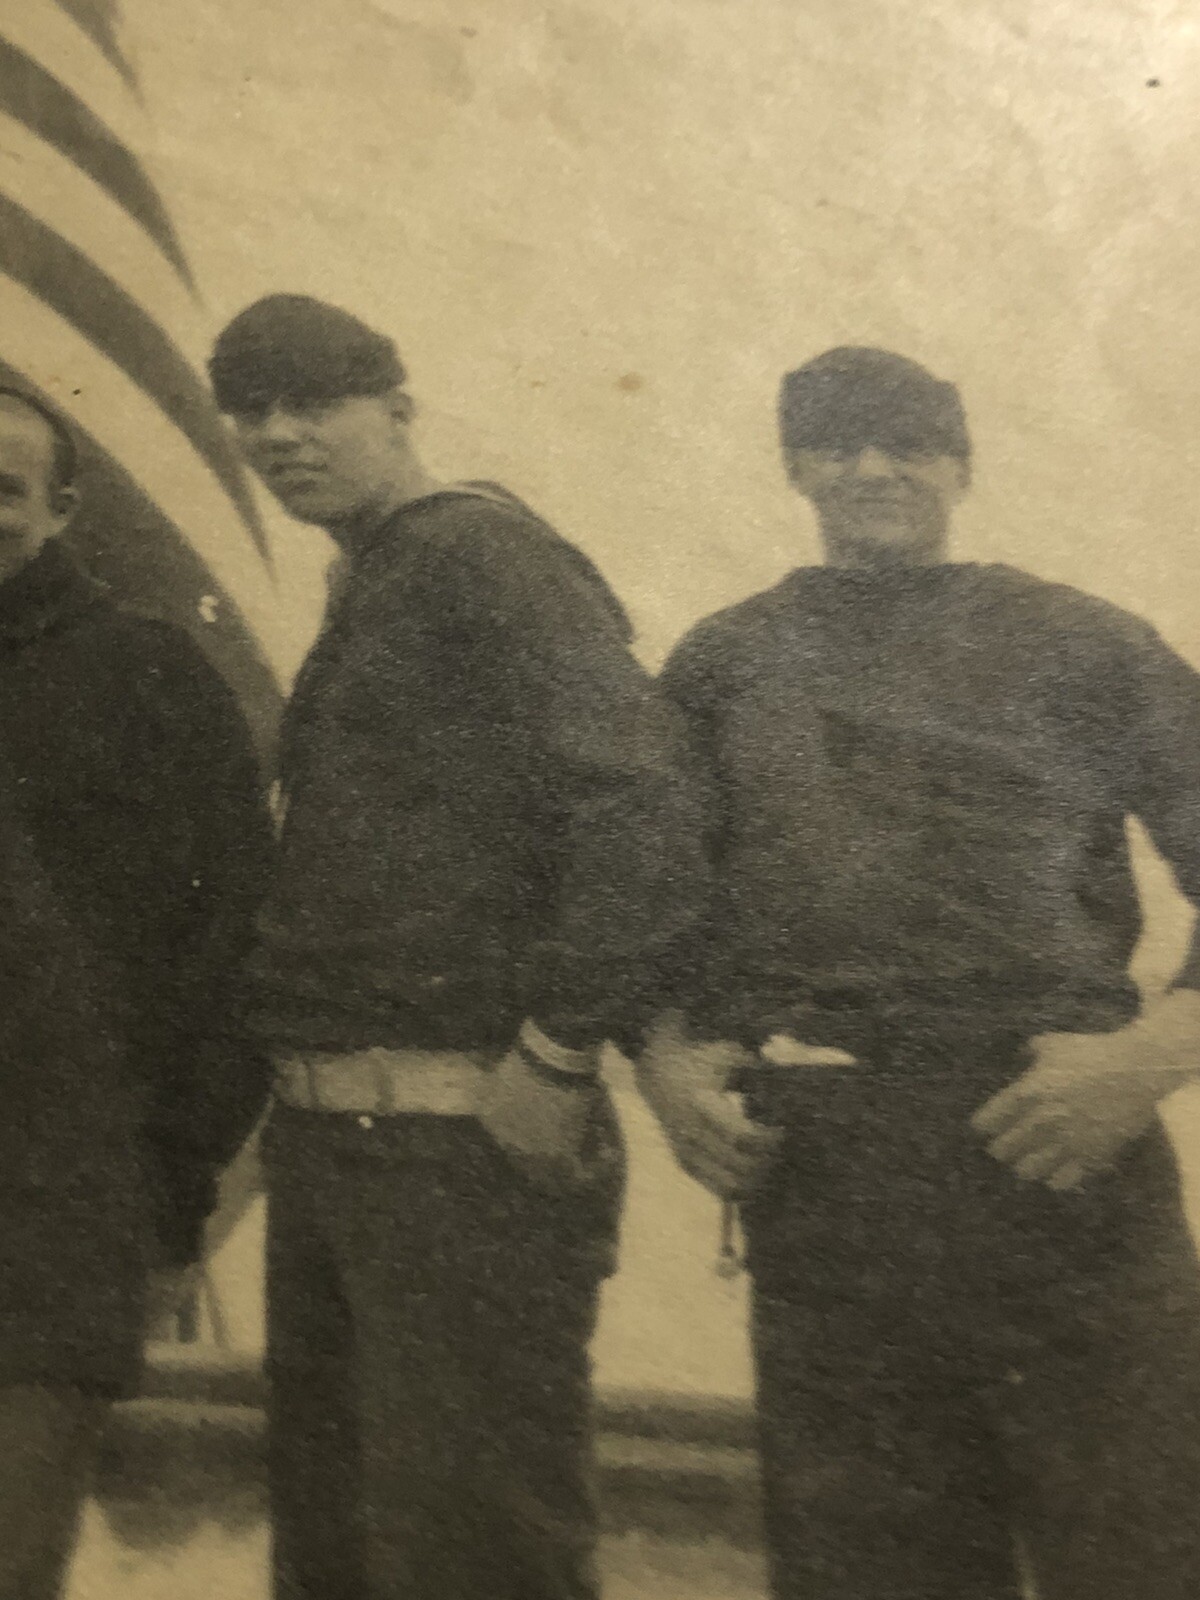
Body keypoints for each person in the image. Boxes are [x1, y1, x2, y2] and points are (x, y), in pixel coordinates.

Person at [637, 346, 1200, 1600]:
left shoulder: (1083, 641)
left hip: (1056, 1149)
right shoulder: (729, 660)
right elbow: (643, 894)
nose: (873, 468)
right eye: (836, 442)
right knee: (866, 1572)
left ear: (962, 463)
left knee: (1137, 1555)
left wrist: (1153, 1055)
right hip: (833, 1174)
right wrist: (666, 1059)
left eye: (907, 441)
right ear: (794, 467)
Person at [208, 294, 700, 1600]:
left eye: (316, 400)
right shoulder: (371, 582)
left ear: (400, 410)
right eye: (251, 409)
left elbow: (640, 803)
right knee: (338, 1553)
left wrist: (554, 1051)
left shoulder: (486, 555)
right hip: (333, 1145)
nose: (279, 433)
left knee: (474, 1553)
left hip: (458, 1143)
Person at [0, 386, 273, 1598]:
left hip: (52, 1208)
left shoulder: (148, 673)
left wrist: (170, 1177)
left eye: (6, 489)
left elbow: (234, 947)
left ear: (61, 508)